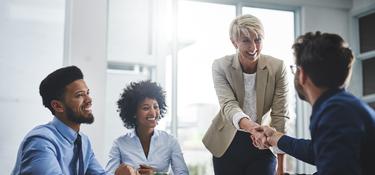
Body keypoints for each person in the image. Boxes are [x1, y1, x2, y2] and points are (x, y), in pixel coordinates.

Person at [255, 31, 375, 175]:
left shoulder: (334, 112)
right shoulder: (343, 106)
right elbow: (323, 152)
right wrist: (277, 138)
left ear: (302, 74)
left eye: (295, 69)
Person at [202, 14, 289, 175]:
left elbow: (280, 116)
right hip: (226, 144)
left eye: (258, 39)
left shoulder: (277, 68)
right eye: (246, 41)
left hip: (262, 141)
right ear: (234, 41)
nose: (253, 48)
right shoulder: (221, 66)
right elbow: (228, 105)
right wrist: (252, 128)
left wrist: (281, 167)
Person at [11, 66, 106, 174]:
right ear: (57, 106)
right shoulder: (41, 142)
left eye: (87, 93)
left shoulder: (83, 142)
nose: (89, 100)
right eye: (79, 95)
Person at [105, 80, 189, 175]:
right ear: (134, 113)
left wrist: (156, 174)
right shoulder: (119, 144)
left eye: (155, 107)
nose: (153, 113)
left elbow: (183, 173)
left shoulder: (170, 141)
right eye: (146, 108)